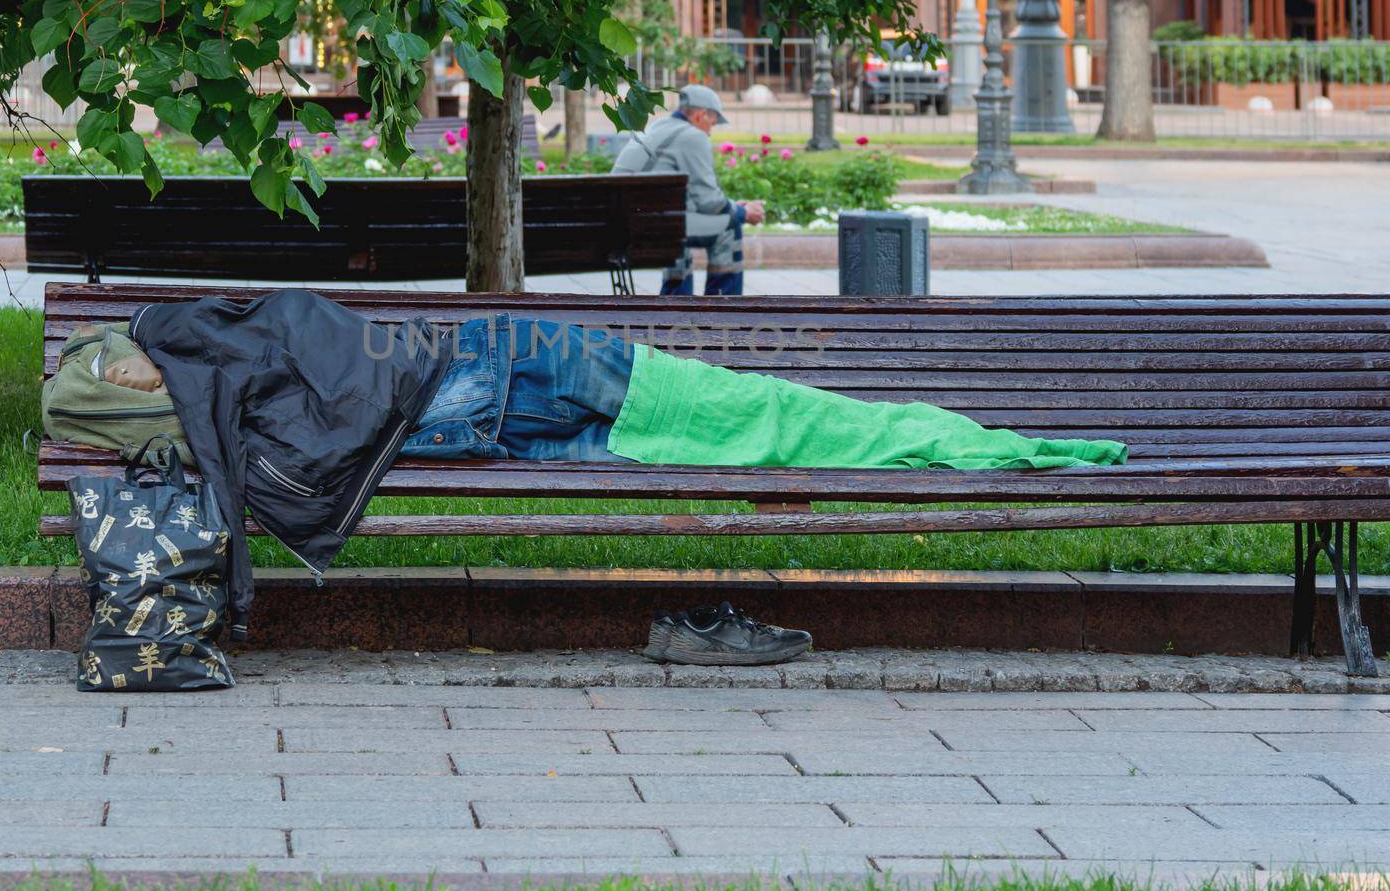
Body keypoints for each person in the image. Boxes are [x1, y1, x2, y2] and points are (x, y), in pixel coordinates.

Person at [62, 295, 1127, 663]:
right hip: (501, 399)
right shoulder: (216, 365)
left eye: (128, 381)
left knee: (765, 420)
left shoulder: (211, 355)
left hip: (518, 369)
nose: (134, 390)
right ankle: (944, 438)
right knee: (751, 426)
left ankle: (956, 439)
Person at [612, 83, 765, 296]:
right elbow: (709, 202)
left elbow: (686, 200)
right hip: (653, 228)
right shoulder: (693, 136)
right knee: (729, 227)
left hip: (622, 226)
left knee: (677, 223)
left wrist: (729, 206)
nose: (711, 130)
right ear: (701, 115)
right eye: (713, 121)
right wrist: (742, 213)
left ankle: (676, 304)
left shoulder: (657, 127)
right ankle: (723, 311)